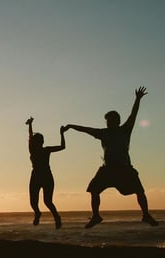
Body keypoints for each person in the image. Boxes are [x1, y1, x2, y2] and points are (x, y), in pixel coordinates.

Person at [64, 87, 159, 228]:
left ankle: (145, 214)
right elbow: (86, 129)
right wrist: (71, 126)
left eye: (110, 121)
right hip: (107, 170)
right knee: (94, 190)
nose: (108, 123)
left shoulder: (125, 130)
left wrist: (137, 99)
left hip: (124, 169)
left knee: (139, 191)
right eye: (107, 121)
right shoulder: (103, 133)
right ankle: (96, 216)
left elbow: (133, 115)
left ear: (117, 121)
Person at [26, 117, 66, 228]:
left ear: (42, 142)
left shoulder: (46, 150)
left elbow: (62, 147)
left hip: (46, 177)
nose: (36, 143)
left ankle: (57, 218)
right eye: (35, 141)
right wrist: (30, 124)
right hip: (36, 176)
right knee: (33, 202)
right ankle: (38, 213)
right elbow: (30, 136)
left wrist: (62, 134)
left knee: (47, 201)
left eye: (38, 141)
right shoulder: (32, 149)